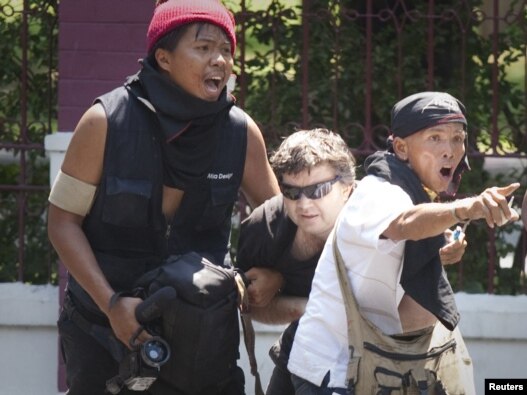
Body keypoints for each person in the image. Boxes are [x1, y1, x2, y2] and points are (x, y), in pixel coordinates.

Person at [47, 1, 279, 394]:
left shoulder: (240, 133)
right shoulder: (105, 122)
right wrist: (112, 305)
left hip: (203, 341)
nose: (219, 60)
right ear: (164, 58)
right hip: (103, 332)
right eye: (204, 48)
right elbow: (62, 223)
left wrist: (275, 273)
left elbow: (278, 223)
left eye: (226, 50)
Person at [288, 91, 520, 394]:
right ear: (401, 148)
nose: (450, 150)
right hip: (332, 372)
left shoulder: (413, 192)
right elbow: (405, 223)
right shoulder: (379, 191)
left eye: (457, 138)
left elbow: (404, 241)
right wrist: (468, 208)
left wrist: (438, 249)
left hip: (373, 367)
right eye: (435, 138)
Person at [236, 128, 356, 395]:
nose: (303, 204)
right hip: (303, 343)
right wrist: (305, 308)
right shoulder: (263, 228)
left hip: (368, 351)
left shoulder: (372, 226)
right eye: (291, 192)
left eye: (318, 190)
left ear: (347, 188)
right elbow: (250, 307)